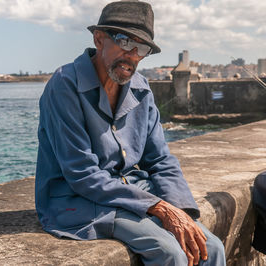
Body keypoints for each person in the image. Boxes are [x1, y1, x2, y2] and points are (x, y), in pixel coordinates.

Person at [35, 1, 226, 265]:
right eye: (125, 42)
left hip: (132, 191)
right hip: (78, 200)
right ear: (99, 39)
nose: (133, 55)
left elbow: (160, 160)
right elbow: (81, 174)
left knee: (210, 247)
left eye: (142, 48)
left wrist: (180, 211)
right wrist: (158, 207)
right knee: (169, 252)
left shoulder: (141, 87)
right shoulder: (65, 85)